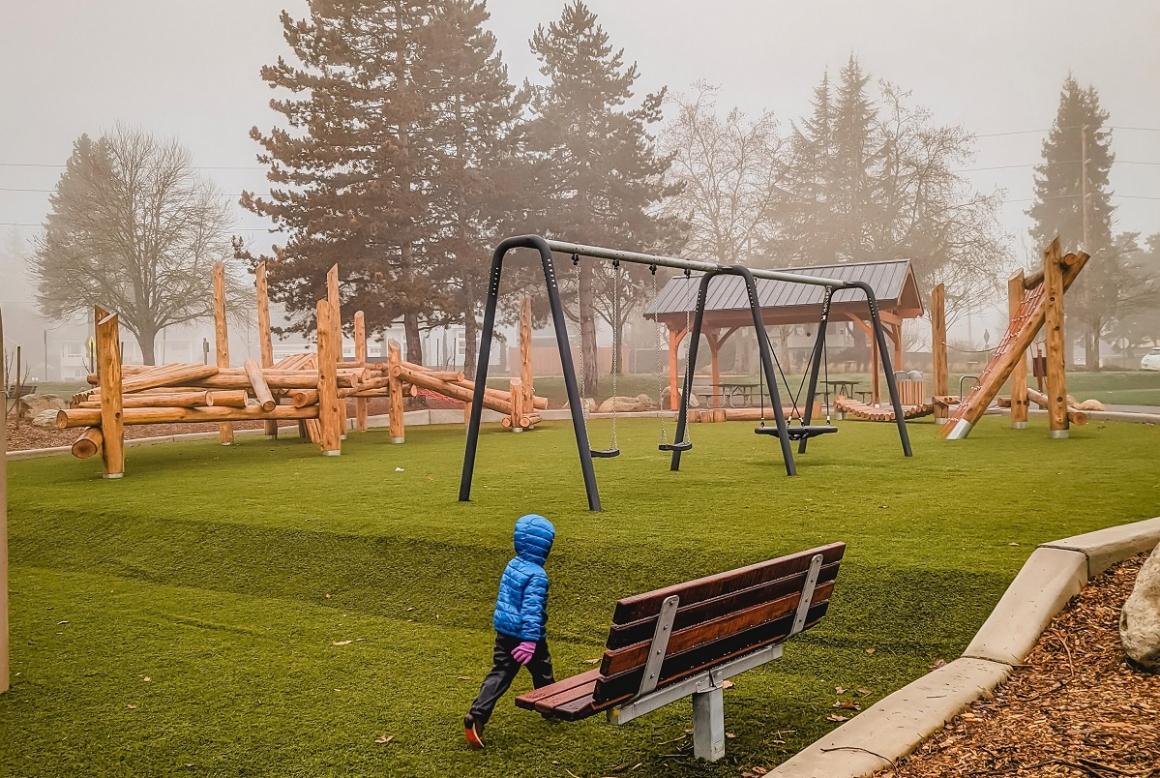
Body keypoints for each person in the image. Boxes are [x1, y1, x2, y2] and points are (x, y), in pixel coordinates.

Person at [464, 514, 556, 749]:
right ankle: (551, 705)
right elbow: (532, 610)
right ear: (544, 546)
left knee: (501, 671)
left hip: (505, 631)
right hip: (526, 636)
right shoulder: (537, 575)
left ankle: (477, 715)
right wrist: (529, 641)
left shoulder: (513, 564)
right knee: (542, 667)